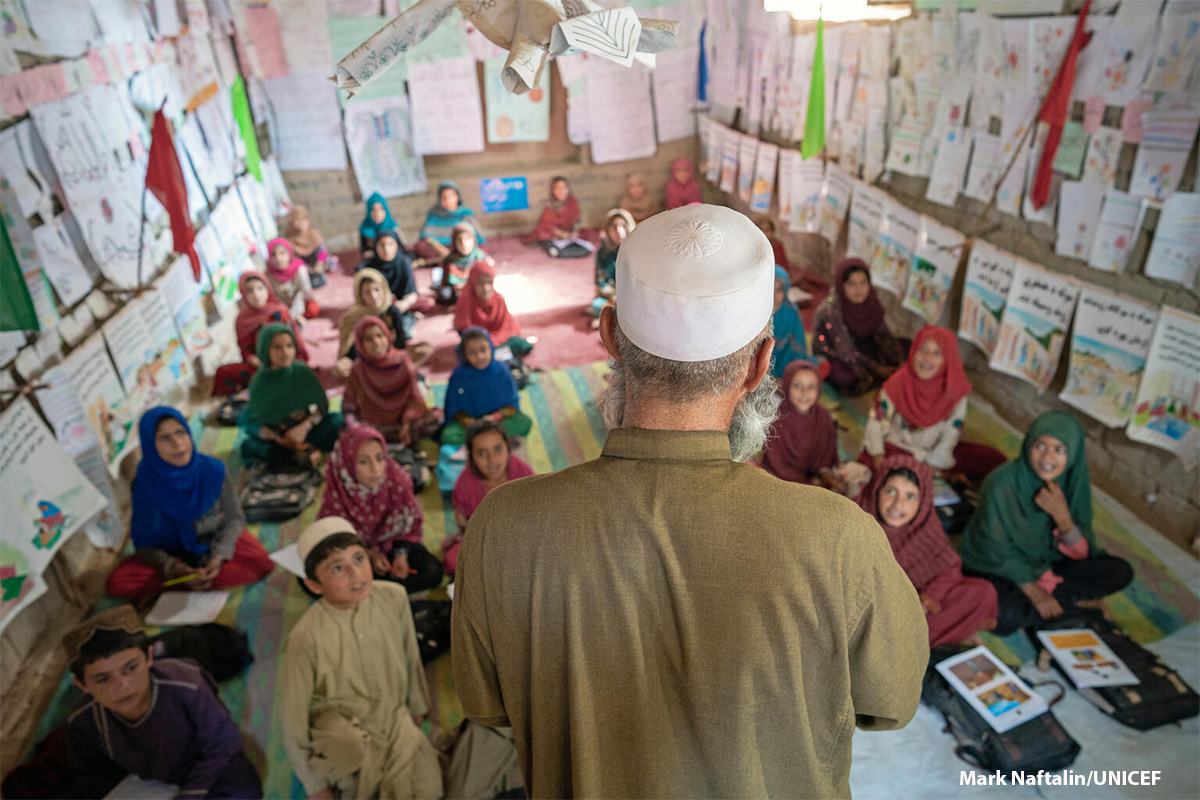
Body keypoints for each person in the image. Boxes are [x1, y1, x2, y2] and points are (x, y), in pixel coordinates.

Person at [451, 205, 927, 798]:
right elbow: (893, 701)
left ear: (607, 336)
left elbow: (485, 704)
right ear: (760, 363)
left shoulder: (503, 527)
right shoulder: (839, 536)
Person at [282, 518, 442, 800]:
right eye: (338, 567)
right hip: (343, 730)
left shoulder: (393, 596)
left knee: (431, 791)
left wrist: (416, 706)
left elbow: (409, 653)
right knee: (350, 756)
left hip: (393, 719)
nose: (356, 574)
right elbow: (293, 719)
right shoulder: (305, 637)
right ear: (314, 585)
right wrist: (315, 787)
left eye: (359, 558)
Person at [959, 410, 1134, 636]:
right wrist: (1033, 590)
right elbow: (993, 549)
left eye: (1059, 450)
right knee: (1004, 618)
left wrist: (1063, 519)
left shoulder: (1073, 484)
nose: (1047, 459)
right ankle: (1073, 602)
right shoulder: (1001, 483)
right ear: (1028, 445)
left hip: (1049, 564)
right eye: (1040, 446)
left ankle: (1059, 603)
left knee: (1120, 571)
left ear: (1072, 454)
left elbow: (1084, 553)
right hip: (999, 567)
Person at [63, 606, 263, 799]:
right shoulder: (83, 719)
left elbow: (223, 744)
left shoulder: (187, 684)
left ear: (149, 657)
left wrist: (190, 794)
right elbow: (92, 775)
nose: (123, 685)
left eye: (131, 668)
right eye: (103, 679)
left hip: (207, 772)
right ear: (82, 684)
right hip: (149, 786)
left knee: (243, 791)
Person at [105, 407, 274, 599]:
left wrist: (218, 556)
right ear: (150, 446)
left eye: (180, 433)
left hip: (212, 541)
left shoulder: (213, 470)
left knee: (261, 562)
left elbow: (234, 518)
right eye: (165, 438)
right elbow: (144, 544)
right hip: (173, 553)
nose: (178, 444)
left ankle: (195, 580)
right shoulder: (144, 483)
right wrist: (173, 568)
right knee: (118, 583)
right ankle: (191, 581)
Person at [856, 455, 999, 647]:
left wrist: (928, 598)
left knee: (982, 592)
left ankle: (913, 644)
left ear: (923, 501)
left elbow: (949, 568)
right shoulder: (854, 518)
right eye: (891, 491)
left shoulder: (925, 525)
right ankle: (921, 644)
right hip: (870, 612)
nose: (898, 505)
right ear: (876, 488)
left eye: (911, 496)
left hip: (911, 609)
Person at [862, 325, 1007, 483]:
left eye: (937, 353)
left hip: (934, 453)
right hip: (897, 446)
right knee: (869, 468)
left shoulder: (955, 390)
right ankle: (937, 474)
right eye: (922, 350)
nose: (927, 358)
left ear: (947, 359)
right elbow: (876, 420)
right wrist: (878, 455)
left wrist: (933, 464)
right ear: (914, 351)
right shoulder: (899, 382)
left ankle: (932, 472)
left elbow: (952, 432)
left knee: (995, 459)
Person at [318, 424, 442, 592]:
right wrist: (366, 555)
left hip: (393, 545)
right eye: (363, 461)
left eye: (380, 457)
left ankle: (367, 591)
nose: (376, 469)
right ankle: (378, 589)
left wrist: (401, 555)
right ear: (347, 462)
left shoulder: (397, 479)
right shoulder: (338, 490)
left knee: (433, 571)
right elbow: (334, 537)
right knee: (312, 578)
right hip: (352, 556)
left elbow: (409, 527)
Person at [240, 324, 343, 467]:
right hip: (279, 438)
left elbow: (322, 405)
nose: (285, 352)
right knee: (251, 446)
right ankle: (301, 452)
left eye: (289, 346)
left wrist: (304, 427)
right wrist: (279, 439)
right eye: (277, 347)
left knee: (336, 421)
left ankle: (302, 452)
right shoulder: (259, 382)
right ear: (265, 349)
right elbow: (252, 422)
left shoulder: (302, 371)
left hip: (306, 430)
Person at [444, 419, 534, 577]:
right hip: (485, 544)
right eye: (482, 453)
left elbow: (536, 518)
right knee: (453, 562)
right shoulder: (465, 485)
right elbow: (468, 526)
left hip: (522, 540)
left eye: (498, 449)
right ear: (471, 456)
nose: (492, 460)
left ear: (508, 448)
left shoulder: (524, 476)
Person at [762, 360, 866, 496]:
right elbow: (777, 466)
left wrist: (824, 475)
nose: (804, 392)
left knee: (860, 477)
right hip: (783, 483)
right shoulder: (776, 419)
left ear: (818, 389)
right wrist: (810, 484)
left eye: (811, 387)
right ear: (787, 386)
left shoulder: (823, 416)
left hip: (817, 480)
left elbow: (826, 456)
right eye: (797, 386)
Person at [814, 257, 908, 394]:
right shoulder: (830, 309)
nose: (859, 289)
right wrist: (878, 369)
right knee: (845, 376)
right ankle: (877, 375)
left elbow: (883, 333)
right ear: (842, 285)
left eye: (863, 283)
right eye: (852, 284)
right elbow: (846, 351)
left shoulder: (871, 301)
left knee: (906, 346)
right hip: (836, 353)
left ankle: (881, 373)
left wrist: (898, 358)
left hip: (863, 346)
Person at [342, 316, 439, 446]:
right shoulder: (358, 369)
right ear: (360, 343)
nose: (376, 342)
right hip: (371, 424)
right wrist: (355, 428)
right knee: (345, 432)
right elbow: (348, 407)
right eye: (368, 339)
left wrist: (407, 422)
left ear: (387, 336)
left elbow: (414, 398)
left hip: (401, 423)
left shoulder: (402, 361)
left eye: (379, 335)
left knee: (435, 422)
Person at [212, 272, 308, 397]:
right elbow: (246, 351)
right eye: (250, 291)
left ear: (267, 288)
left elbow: (295, 343)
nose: (256, 295)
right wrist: (260, 363)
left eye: (260, 288)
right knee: (222, 373)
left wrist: (282, 362)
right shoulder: (242, 320)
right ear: (243, 294)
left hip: (286, 362)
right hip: (260, 366)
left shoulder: (280, 311)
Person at [335, 268, 433, 379]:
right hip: (365, 361)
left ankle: (387, 375)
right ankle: (390, 375)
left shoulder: (392, 311)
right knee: (341, 369)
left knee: (425, 349)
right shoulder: (352, 317)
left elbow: (400, 344)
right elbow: (348, 353)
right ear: (360, 295)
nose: (373, 296)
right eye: (367, 292)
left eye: (377, 290)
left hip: (390, 356)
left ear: (384, 289)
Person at [441, 328, 532, 447]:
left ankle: (481, 439)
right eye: (472, 352)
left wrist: (494, 418)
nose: (480, 356)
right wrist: (475, 423)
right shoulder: (459, 377)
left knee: (524, 423)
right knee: (448, 435)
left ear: (491, 348)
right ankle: (494, 437)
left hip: (498, 420)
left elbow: (511, 405)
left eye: (483, 350)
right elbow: (455, 410)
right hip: (471, 424)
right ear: (464, 355)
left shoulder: (501, 371)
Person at [453, 262, 535, 358]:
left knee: (521, 344)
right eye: (480, 284)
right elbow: (465, 330)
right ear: (473, 283)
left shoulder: (498, 300)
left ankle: (492, 355)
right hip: (478, 342)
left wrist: (494, 340)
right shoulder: (466, 302)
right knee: (464, 350)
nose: (486, 288)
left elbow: (508, 327)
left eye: (489, 283)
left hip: (500, 339)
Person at [359, 231, 422, 339]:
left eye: (390, 244)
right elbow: (362, 296)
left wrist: (404, 304)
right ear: (375, 246)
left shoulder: (404, 263)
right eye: (381, 245)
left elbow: (412, 293)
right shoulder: (367, 268)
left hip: (399, 305)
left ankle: (409, 318)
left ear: (397, 245)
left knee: (403, 332)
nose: (386, 249)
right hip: (376, 305)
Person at [417, 180, 485, 264]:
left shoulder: (465, 213)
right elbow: (426, 236)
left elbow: (476, 238)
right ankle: (451, 258)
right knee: (420, 246)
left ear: (457, 197)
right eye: (444, 197)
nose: (448, 200)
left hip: (460, 244)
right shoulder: (434, 212)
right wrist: (440, 249)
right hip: (440, 246)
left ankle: (444, 259)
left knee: (479, 248)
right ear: (440, 199)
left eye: (451, 196)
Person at [588, 209, 633, 325]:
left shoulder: (636, 250)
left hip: (634, 297)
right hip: (613, 298)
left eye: (623, 226)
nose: (619, 231)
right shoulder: (603, 253)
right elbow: (601, 283)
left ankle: (610, 321)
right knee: (597, 305)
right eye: (614, 227)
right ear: (607, 230)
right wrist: (615, 297)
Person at [437, 223, 494, 306]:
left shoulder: (480, 256)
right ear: (454, 242)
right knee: (445, 295)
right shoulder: (450, 260)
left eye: (468, 238)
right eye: (459, 240)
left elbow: (486, 278)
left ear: (474, 239)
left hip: (477, 287)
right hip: (457, 290)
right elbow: (447, 283)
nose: (464, 244)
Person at [265, 238, 319, 319]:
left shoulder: (299, 269)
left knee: (313, 309)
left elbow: (307, 293)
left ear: (289, 254)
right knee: (273, 316)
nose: (278, 258)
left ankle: (296, 318)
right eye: (274, 255)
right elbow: (270, 299)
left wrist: (297, 300)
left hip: (301, 303)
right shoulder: (268, 274)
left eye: (282, 253)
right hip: (281, 307)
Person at [521, 175, 581, 246]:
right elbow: (547, 225)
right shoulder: (550, 205)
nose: (561, 191)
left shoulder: (572, 201)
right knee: (542, 234)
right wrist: (562, 234)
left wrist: (575, 231)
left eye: (564, 188)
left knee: (585, 234)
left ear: (568, 189)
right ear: (553, 191)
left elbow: (577, 219)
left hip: (569, 231)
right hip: (555, 233)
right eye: (557, 188)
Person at [770, 265, 808, 378]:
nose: (774, 296)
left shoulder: (790, 312)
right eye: (770, 288)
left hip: (784, 373)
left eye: (779, 290)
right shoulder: (752, 314)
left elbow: (798, 351)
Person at [283, 205, 334, 279]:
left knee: (331, 261)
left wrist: (319, 265)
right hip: (304, 266)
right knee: (297, 270)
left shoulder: (314, 234)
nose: (302, 222)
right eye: (297, 219)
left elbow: (322, 251)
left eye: (304, 218)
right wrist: (306, 268)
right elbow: (293, 258)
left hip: (318, 263)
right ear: (291, 222)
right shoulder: (289, 240)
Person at [358, 192, 400, 261]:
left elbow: (401, 249)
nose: (377, 213)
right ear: (368, 211)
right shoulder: (365, 229)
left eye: (381, 209)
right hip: (374, 261)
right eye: (373, 210)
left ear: (385, 210)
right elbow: (364, 253)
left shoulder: (392, 227)